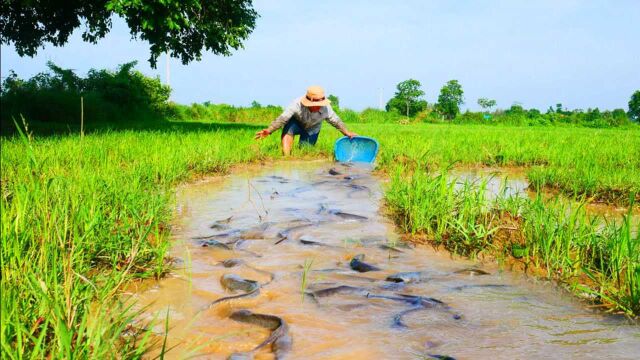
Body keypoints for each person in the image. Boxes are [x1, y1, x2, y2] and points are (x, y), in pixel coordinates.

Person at [254, 85, 357, 155]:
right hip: (296, 124)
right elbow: (282, 118)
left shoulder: (326, 108)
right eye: (315, 104)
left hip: (312, 128)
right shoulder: (296, 104)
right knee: (289, 129)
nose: (318, 106)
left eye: (320, 104)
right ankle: (286, 157)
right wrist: (269, 130)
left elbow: (336, 121)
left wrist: (347, 132)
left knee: (304, 151)